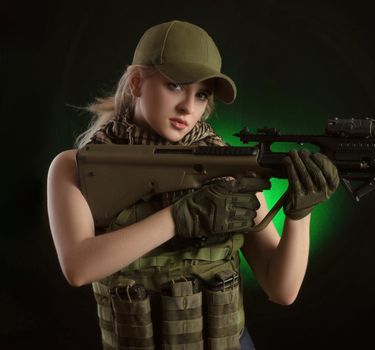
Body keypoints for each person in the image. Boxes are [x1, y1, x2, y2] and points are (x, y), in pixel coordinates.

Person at [47, 20, 339, 350]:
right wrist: (179, 217)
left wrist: (300, 215)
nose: (188, 106)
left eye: (201, 94)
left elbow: (281, 289)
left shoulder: (226, 165)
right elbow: (78, 267)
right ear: (136, 83)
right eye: (175, 85)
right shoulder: (75, 166)